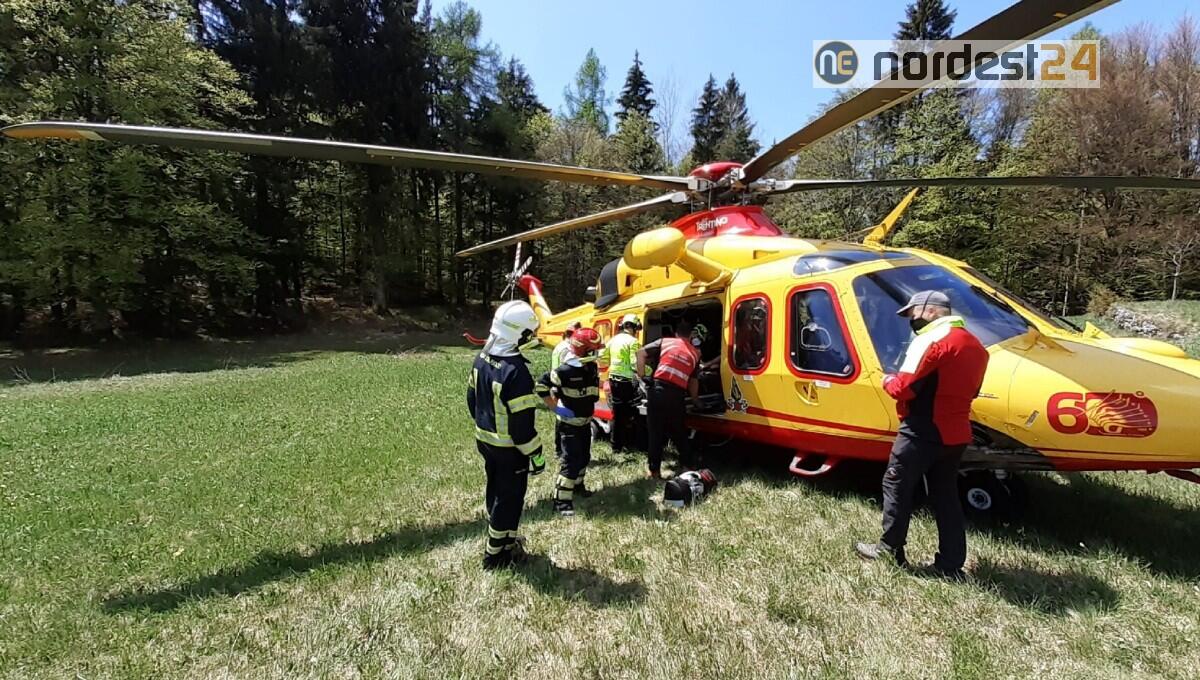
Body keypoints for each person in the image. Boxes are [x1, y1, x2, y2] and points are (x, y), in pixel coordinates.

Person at [854, 290, 989, 580]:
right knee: (946, 496)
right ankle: (951, 564)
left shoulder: (929, 340)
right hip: (956, 433)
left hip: (921, 430)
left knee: (896, 486)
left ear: (929, 310)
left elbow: (903, 388)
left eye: (911, 314)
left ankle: (890, 549)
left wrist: (887, 379)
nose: (910, 321)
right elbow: (973, 391)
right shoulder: (977, 346)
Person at [467, 300, 546, 570]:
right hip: (510, 450)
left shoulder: (481, 358)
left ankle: (507, 540)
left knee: (496, 490)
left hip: (485, 441)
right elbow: (521, 428)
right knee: (509, 499)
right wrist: (536, 454)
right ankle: (495, 555)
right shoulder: (517, 372)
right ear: (520, 334)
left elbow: (471, 399)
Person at [535, 327, 602, 516]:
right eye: (593, 350)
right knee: (570, 462)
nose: (596, 353)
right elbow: (541, 385)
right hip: (569, 425)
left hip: (585, 422)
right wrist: (555, 407)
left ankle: (578, 487)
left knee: (584, 458)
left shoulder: (591, 366)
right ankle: (561, 502)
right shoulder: (564, 370)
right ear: (583, 350)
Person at [637, 317, 703, 479]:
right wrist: (695, 400)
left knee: (655, 433)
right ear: (691, 335)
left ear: (675, 333)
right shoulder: (696, 353)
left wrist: (642, 376)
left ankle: (654, 471)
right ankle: (688, 465)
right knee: (679, 431)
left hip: (658, 390)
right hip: (677, 395)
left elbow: (640, 353)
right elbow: (693, 381)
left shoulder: (665, 342)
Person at [599, 313, 642, 453]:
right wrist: (649, 369)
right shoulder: (633, 342)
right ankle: (636, 443)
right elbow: (635, 364)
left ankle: (616, 446)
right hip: (627, 383)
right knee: (635, 412)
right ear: (635, 327)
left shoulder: (613, 340)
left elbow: (603, 360)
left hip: (613, 381)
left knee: (617, 414)